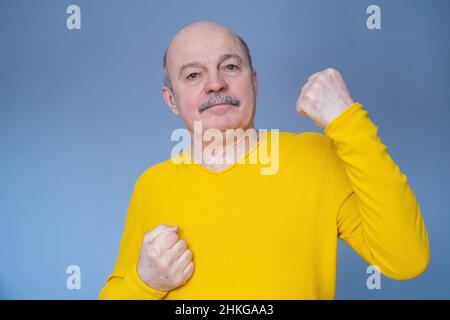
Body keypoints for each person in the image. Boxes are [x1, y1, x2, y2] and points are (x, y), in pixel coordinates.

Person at [99, 21, 430, 299]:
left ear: (253, 82)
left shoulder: (317, 159)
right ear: (171, 99)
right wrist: (146, 284)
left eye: (230, 66)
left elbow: (406, 259)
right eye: (193, 75)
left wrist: (348, 121)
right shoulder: (152, 185)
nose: (216, 84)